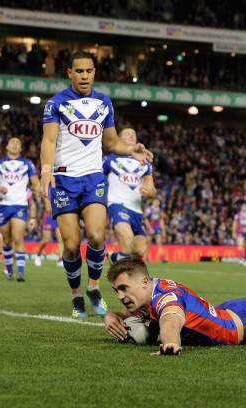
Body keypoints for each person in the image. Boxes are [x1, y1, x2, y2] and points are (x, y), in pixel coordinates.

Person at [41, 50, 152, 318]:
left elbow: (112, 142)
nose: (84, 76)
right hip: (65, 180)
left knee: (97, 235)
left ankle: (92, 287)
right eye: (79, 71)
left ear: (94, 73)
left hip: (93, 179)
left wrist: (131, 150)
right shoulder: (56, 103)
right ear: (69, 73)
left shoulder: (104, 103)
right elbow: (49, 141)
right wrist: (46, 169)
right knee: (70, 245)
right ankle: (76, 295)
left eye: (89, 71)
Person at [104, 235, 246, 355]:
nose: (120, 295)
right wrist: (112, 315)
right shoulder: (155, 290)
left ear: (144, 281)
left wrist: (171, 344)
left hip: (245, 324)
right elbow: (135, 312)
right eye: (116, 291)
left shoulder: (166, 300)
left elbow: (170, 320)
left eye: (124, 288)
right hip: (233, 312)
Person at [0, 138, 39, 282]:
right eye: (12, 142)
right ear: (7, 146)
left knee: (18, 238)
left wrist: (39, 190)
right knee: (7, 240)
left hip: (20, 205)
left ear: (21, 148)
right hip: (3, 205)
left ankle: (21, 272)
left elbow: (35, 183)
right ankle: (9, 271)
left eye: (18, 143)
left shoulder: (28, 164)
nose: (15, 144)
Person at [104, 128, 156, 263]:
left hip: (137, 210)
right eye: (127, 133)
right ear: (119, 139)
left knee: (139, 251)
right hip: (117, 205)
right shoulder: (109, 160)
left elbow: (152, 188)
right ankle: (122, 281)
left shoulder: (145, 163)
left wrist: (150, 191)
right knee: (127, 241)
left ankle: (114, 258)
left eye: (133, 133)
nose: (131, 135)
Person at [35, 195, 64, 268]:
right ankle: (38, 255)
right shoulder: (47, 186)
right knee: (46, 239)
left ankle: (60, 259)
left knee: (60, 239)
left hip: (58, 214)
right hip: (49, 215)